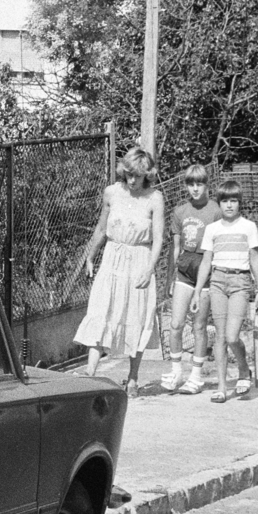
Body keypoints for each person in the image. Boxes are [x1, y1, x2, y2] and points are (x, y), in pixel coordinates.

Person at [74, 145, 166, 398]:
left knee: (136, 316)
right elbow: (101, 229)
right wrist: (90, 257)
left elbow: (158, 239)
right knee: (100, 309)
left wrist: (150, 269)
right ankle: (90, 372)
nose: (133, 180)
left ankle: (133, 379)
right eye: (129, 174)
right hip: (113, 258)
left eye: (138, 175)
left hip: (139, 259)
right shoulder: (111, 193)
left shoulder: (154, 198)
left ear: (147, 174)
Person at [192, 178, 258, 402]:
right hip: (218, 282)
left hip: (240, 282)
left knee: (233, 335)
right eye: (225, 201)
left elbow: (254, 257)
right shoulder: (212, 229)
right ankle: (222, 387)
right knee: (220, 337)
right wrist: (197, 291)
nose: (229, 205)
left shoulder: (248, 227)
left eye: (234, 201)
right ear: (219, 203)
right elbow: (206, 261)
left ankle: (244, 370)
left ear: (239, 202)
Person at [161, 164, 221, 394]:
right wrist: (169, 279)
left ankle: (196, 376)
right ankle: (176, 372)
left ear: (207, 185)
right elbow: (175, 248)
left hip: (206, 271)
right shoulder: (180, 211)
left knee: (199, 325)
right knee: (175, 324)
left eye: (200, 184)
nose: (195, 189)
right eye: (191, 184)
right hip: (184, 272)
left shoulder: (215, 210)